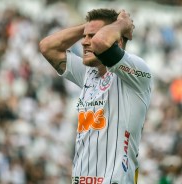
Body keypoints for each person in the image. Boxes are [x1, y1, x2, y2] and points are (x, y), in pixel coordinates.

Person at [39, 8, 152, 184]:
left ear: (118, 40)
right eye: (85, 36)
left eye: (91, 36)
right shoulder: (88, 73)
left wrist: (122, 24)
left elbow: (101, 43)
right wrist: (88, 27)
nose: (84, 42)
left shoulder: (137, 72)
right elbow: (47, 47)